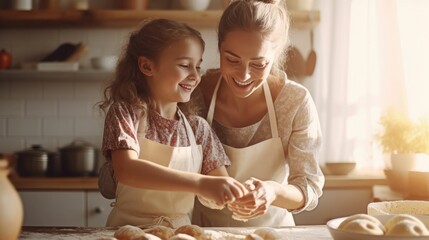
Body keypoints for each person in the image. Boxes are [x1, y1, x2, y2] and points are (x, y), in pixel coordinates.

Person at [97, 18, 247, 228]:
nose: (195, 76)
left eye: (198, 66)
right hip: (127, 230)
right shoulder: (125, 113)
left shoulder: (198, 129)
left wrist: (234, 195)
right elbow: (127, 169)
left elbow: (217, 189)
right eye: (185, 65)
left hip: (178, 232)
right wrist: (200, 183)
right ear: (147, 66)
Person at [189, 0, 325, 227]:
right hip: (205, 231)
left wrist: (272, 191)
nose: (243, 75)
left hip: (275, 232)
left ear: (275, 56)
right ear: (219, 48)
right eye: (232, 59)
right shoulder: (195, 94)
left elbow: (307, 186)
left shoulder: (295, 102)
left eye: (258, 64)